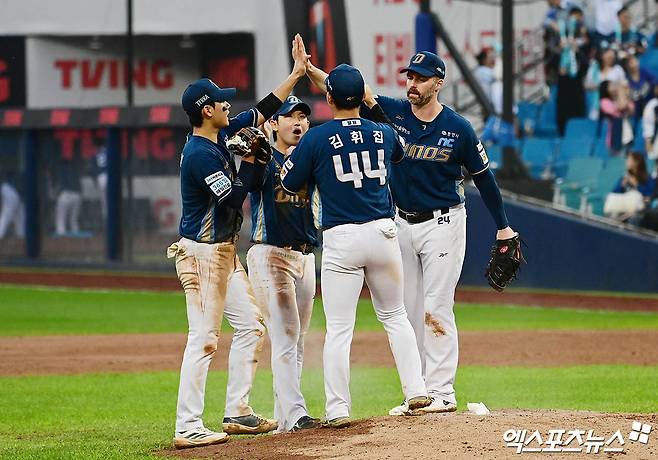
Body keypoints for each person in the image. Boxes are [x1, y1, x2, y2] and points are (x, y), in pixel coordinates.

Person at [307, 52, 517, 415]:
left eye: (421, 78)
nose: (412, 84)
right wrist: (310, 70)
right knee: (408, 311)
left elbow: (484, 179)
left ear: (439, 83)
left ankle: (443, 391)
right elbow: (346, 89)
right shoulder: (393, 112)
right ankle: (418, 392)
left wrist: (503, 226)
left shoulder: (458, 128)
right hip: (400, 223)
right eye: (410, 77)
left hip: (444, 223)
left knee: (437, 307)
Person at [168, 34, 309, 449]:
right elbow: (231, 197)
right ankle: (187, 425)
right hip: (202, 254)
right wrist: (252, 162)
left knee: (250, 325)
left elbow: (263, 109)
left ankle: (237, 410)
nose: (229, 106)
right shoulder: (200, 154)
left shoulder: (217, 137)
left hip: (223, 253)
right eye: (221, 102)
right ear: (206, 111)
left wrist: (296, 74)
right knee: (204, 338)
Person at [281, 64, 431, 427]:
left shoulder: (316, 138)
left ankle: (338, 409)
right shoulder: (384, 132)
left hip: (343, 238)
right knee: (395, 317)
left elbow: (289, 184)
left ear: (328, 99)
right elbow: (399, 151)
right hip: (383, 233)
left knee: (339, 328)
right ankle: (416, 390)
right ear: (361, 97)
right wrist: (371, 107)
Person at [246, 95, 320, 432]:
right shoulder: (264, 158)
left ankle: (286, 422)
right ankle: (296, 415)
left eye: (303, 116)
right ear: (273, 123)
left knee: (296, 340)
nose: (298, 122)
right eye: (289, 116)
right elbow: (249, 181)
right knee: (286, 336)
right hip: (271, 254)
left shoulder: (311, 160)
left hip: (305, 256)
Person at [600, 80, 635, 155]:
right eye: (611, 86)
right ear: (606, 89)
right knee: (618, 160)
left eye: (614, 85)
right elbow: (620, 107)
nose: (614, 87)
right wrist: (621, 91)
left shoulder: (623, 98)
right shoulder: (604, 102)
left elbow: (631, 110)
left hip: (627, 136)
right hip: (615, 138)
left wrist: (625, 95)